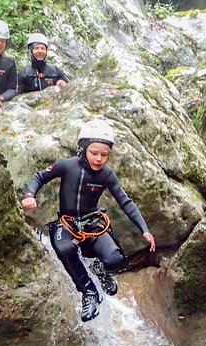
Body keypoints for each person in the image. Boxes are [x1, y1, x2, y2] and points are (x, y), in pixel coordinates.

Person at [20, 119, 156, 322]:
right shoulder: (66, 165)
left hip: (92, 224)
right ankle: (89, 292)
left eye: (104, 155)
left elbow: (125, 201)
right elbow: (40, 177)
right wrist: (29, 194)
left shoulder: (106, 175)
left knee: (116, 260)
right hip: (66, 223)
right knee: (65, 248)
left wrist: (144, 229)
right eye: (94, 153)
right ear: (82, 149)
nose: (99, 159)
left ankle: (100, 269)